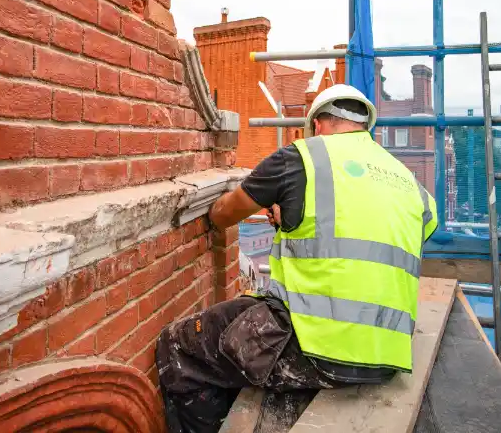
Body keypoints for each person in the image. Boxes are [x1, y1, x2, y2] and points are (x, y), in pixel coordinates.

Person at [155, 84, 438, 433]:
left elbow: (224, 214)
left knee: (179, 345)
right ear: (365, 127)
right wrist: (293, 216)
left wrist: (267, 202)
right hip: (389, 355)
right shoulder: (408, 180)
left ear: (317, 124)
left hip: (319, 349)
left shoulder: (302, 157)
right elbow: (379, 237)